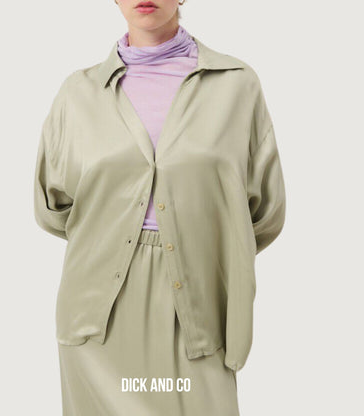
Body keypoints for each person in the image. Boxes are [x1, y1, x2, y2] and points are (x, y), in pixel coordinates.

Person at [34, 1, 286, 415]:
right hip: (96, 318)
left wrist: (205, 243)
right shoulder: (77, 93)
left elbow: (265, 211)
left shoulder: (237, 85)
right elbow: (52, 205)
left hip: (200, 306)